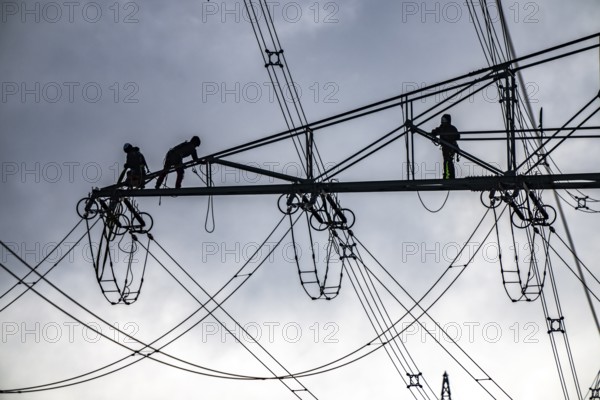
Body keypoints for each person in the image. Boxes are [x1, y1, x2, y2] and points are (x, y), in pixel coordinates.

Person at [431, 114, 460, 179]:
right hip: (446, 147)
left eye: (444, 120)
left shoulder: (451, 128)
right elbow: (436, 131)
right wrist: (433, 133)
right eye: (442, 120)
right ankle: (448, 175)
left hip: (450, 147)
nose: (443, 121)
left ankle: (448, 176)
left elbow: (458, 136)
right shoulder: (441, 128)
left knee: (448, 161)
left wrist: (449, 137)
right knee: (447, 161)